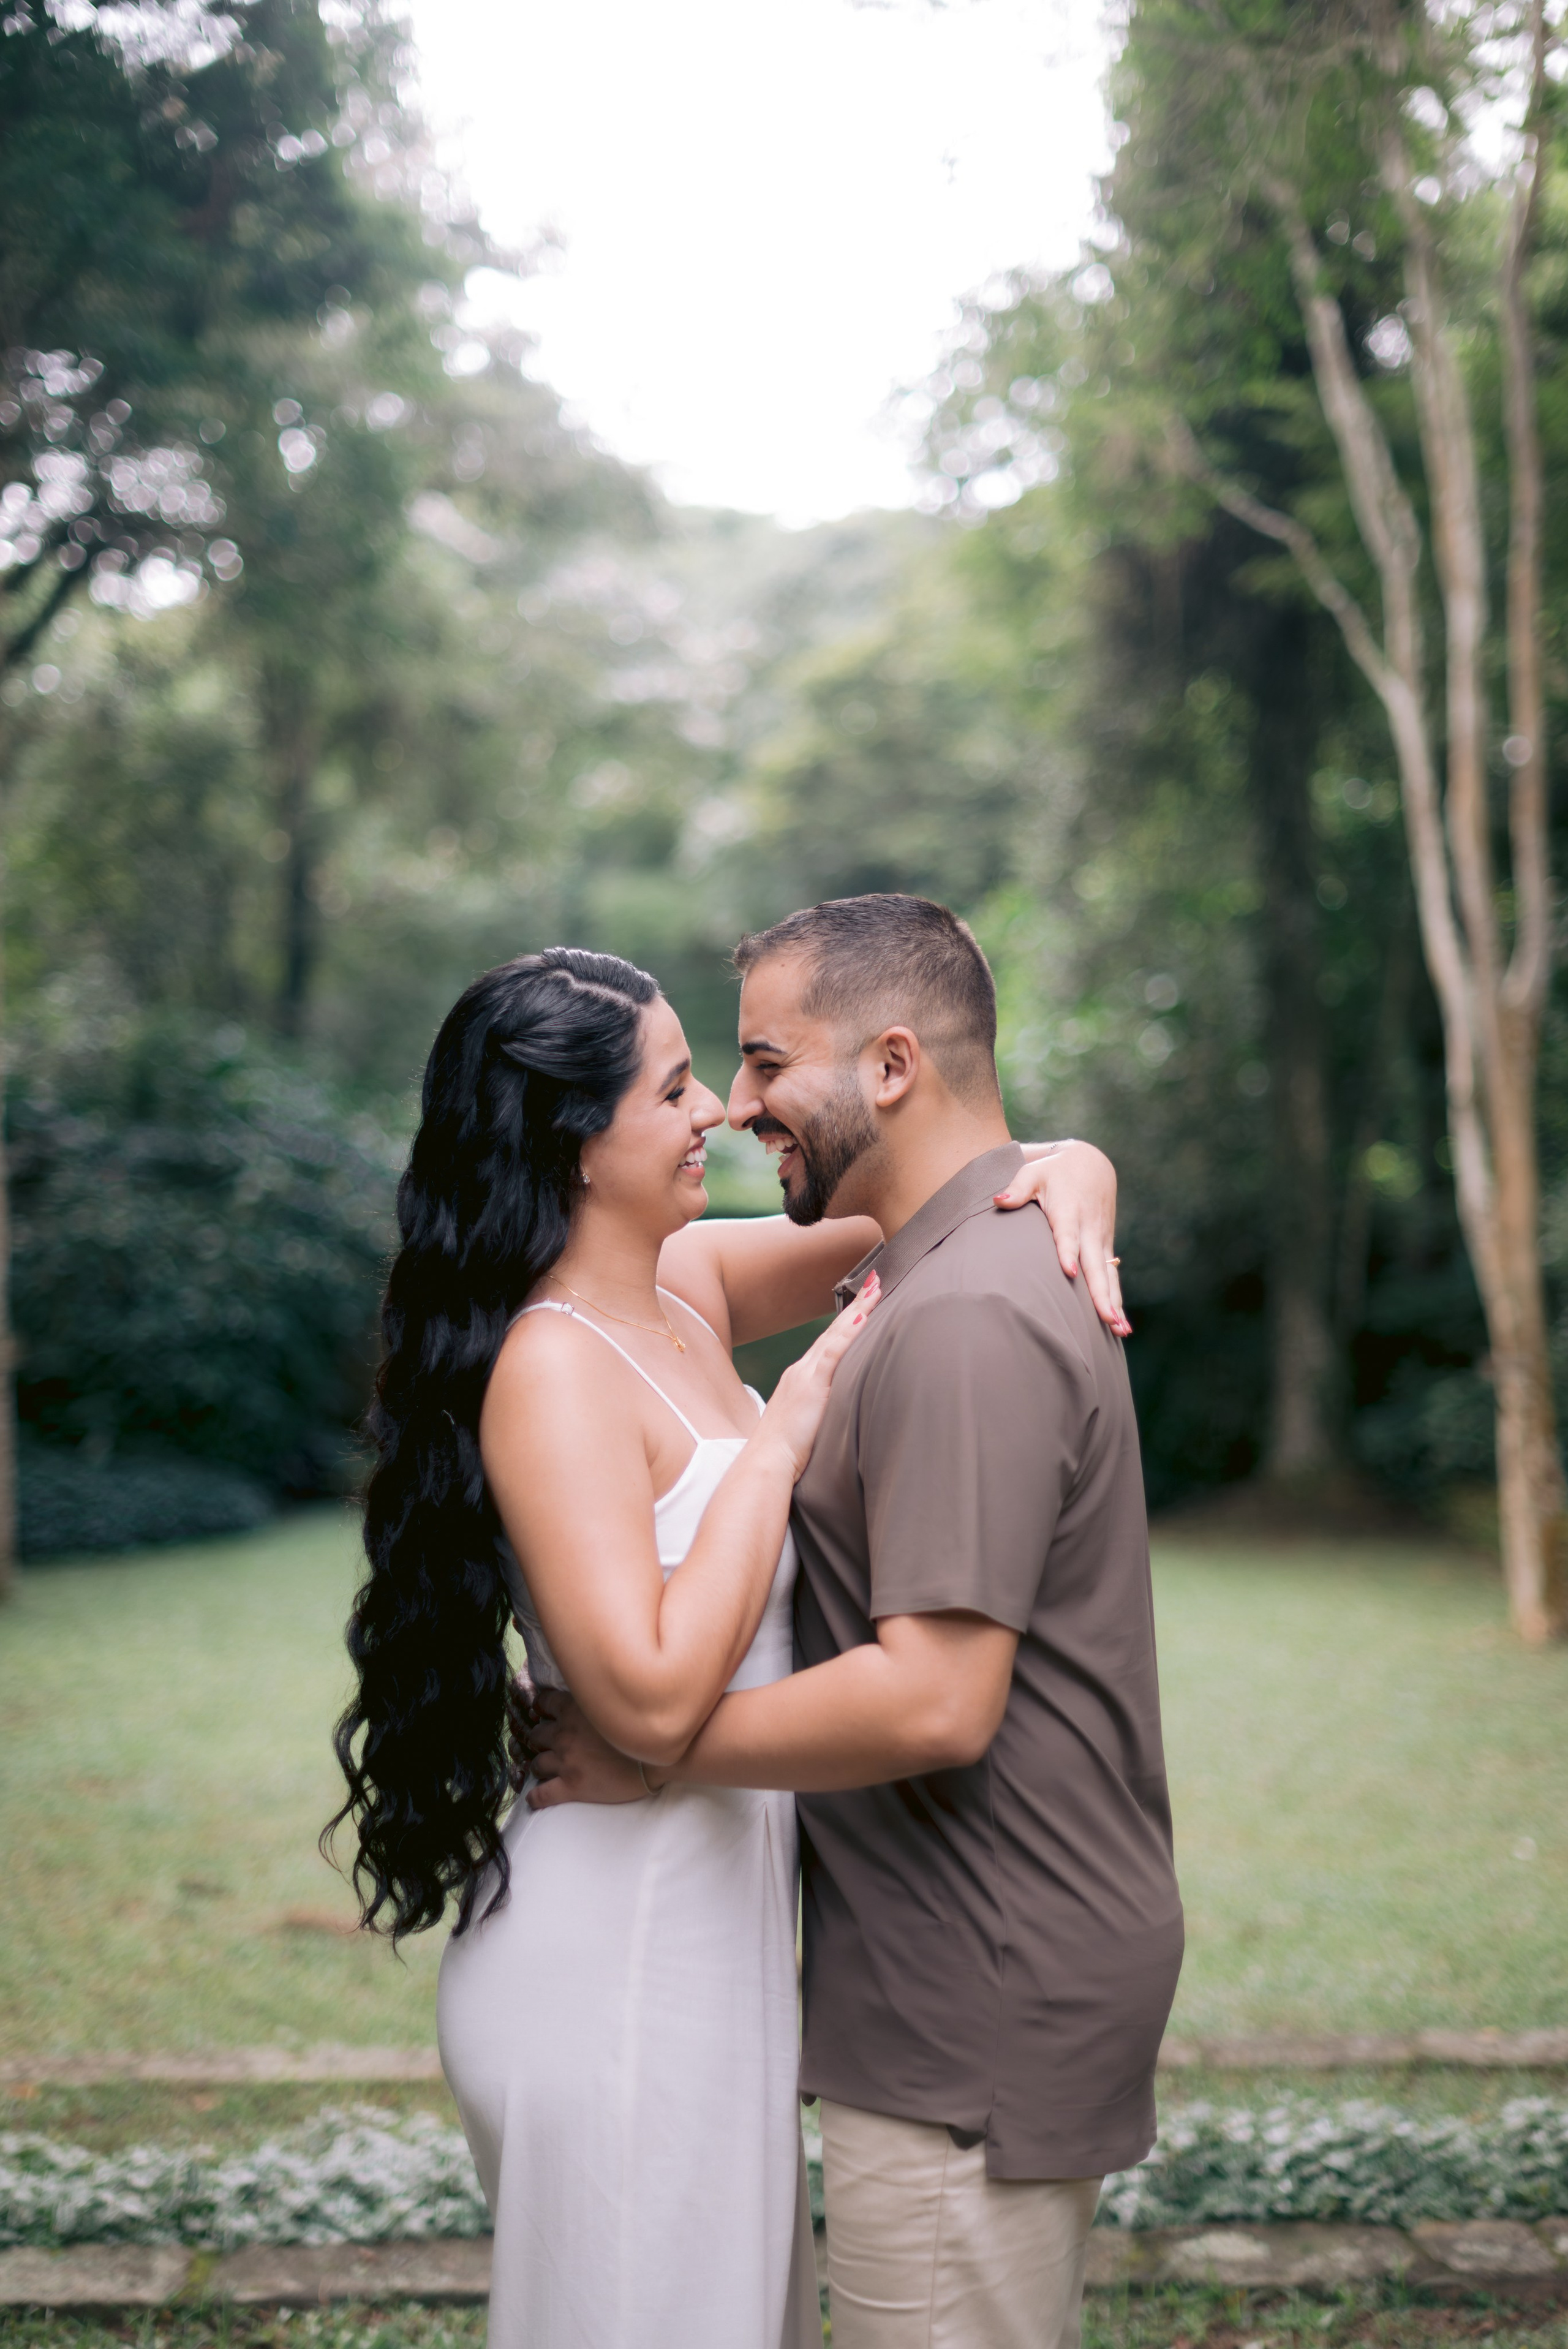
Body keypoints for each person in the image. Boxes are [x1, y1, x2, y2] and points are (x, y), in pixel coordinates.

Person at [326, 941, 1123, 2349]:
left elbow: (923, 1198)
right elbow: (640, 1692)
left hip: (718, 1928)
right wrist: (789, 1428)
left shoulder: (678, 1284)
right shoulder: (552, 1363)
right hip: (614, 1947)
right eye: (676, 1087)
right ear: (575, 1141)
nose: (716, 1114)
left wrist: (1076, 1162)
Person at [529, 896, 1184, 2349]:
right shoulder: (913, 1262)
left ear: (889, 1066)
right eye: (697, 1079)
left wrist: (654, 1746)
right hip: (887, 1961)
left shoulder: (956, 1308)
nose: (732, 1102)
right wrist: (1064, 1161)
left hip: (972, 1975)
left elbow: (934, 1701)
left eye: (761, 1062)